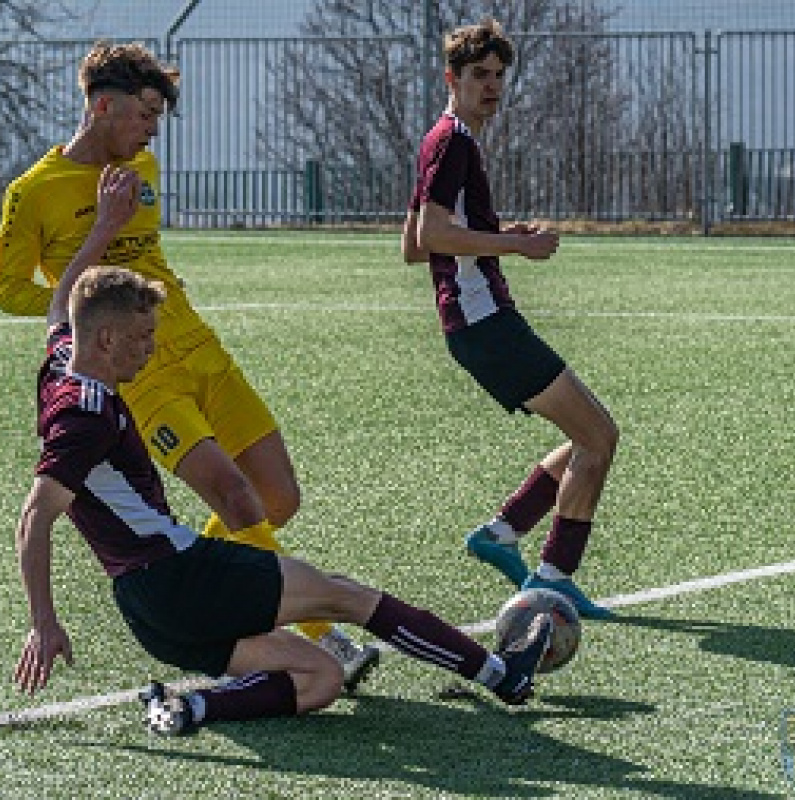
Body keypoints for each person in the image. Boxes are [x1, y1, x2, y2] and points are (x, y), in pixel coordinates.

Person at [13, 259, 555, 735]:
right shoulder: (84, 414)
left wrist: (104, 229)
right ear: (105, 339)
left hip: (146, 608)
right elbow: (35, 517)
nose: (151, 350)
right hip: (179, 577)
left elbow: (62, 304)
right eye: (142, 337)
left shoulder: (61, 360)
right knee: (348, 596)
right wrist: (43, 620)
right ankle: (502, 674)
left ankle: (187, 707)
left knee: (321, 678)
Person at [0, 41, 378, 685]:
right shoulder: (35, 191)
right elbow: (8, 287)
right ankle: (323, 636)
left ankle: (206, 569)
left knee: (276, 496)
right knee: (232, 492)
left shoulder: (141, 165)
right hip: (138, 372)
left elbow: (147, 258)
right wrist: (87, 318)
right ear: (102, 105)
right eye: (144, 113)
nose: (152, 130)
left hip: (199, 345)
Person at [401, 19, 618, 619]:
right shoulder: (454, 142)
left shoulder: (439, 139)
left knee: (584, 436)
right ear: (452, 78)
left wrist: (496, 235)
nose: (492, 86)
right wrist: (519, 247)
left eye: (499, 76)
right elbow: (432, 234)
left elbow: (415, 246)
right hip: (485, 322)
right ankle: (552, 579)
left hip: (476, 322)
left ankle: (501, 533)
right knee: (598, 438)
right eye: (479, 75)